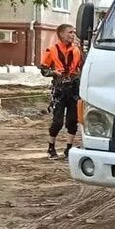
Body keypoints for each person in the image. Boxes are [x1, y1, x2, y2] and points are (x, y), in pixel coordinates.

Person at [40, 24, 83, 159]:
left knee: (72, 120)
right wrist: (53, 72)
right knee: (57, 121)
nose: (73, 35)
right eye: (70, 32)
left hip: (74, 89)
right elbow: (43, 70)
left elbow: (82, 68)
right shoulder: (52, 50)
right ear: (62, 34)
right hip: (59, 90)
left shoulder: (77, 51)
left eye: (74, 33)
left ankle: (68, 149)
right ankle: (51, 148)